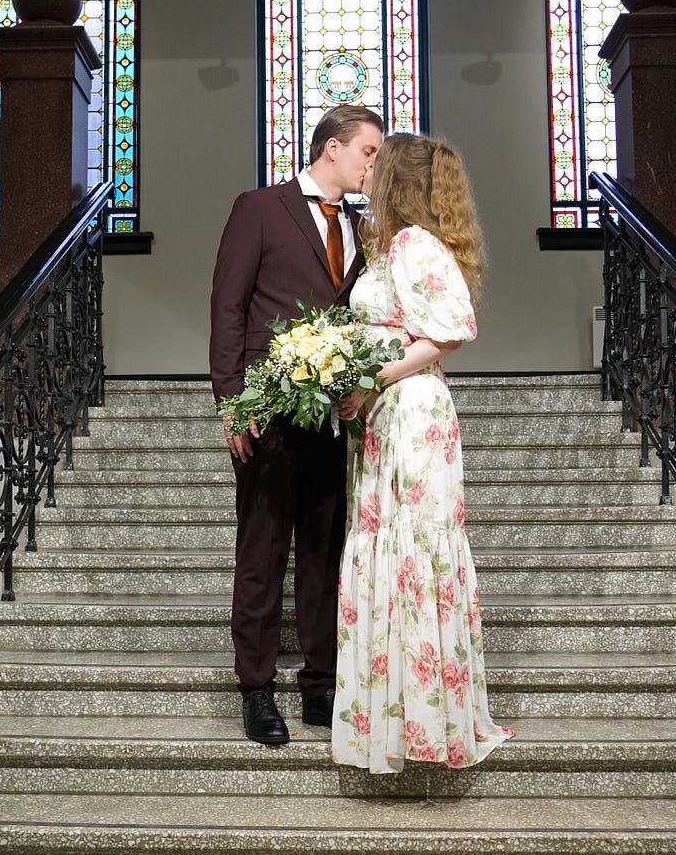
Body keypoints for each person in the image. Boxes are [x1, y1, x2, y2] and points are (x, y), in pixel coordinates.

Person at [331, 133, 514, 773]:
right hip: (386, 415)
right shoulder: (390, 245)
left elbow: (452, 330)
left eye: (378, 165)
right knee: (386, 546)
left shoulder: (416, 246)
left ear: (396, 182)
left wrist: (373, 378)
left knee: (413, 550)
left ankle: (428, 721)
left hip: (412, 415)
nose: (368, 171)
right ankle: (394, 717)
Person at [209, 104, 385, 745]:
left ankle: (321, 685)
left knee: (324, 553)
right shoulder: (259, 207)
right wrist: (232, 401)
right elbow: (227, 305)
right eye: (368, 151)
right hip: (266, 410)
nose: (375, 163)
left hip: (334, 416)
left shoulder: (366, 229)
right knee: (262, 550)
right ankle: (255, 691)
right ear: (332, 148)